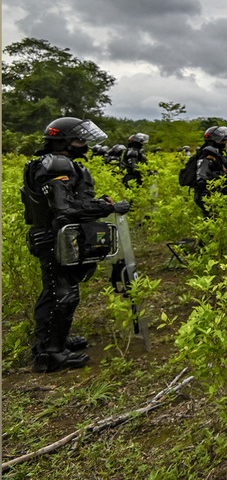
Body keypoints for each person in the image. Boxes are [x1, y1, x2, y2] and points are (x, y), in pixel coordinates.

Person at [20, 117, 131, 373]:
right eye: (79, 139)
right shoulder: (57, 164)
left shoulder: (52, 162)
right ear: (64, 142)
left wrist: (97, 204)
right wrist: (107, 207)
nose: (85, 144)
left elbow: (67, 201)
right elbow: (65, 207)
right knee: (62, 294)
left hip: (54, 235)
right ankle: (51, 354)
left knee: (59, 290)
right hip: (54, 237)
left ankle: (52, 341)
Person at [190, 126, 227, 218]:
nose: (224, 143)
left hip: (218, 195)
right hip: (208, 196)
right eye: (222, 141)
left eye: (225, 141)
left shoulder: (218, 155)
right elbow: (202, 179)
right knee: (212, 223)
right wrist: (226, 174)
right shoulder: (206, 157)